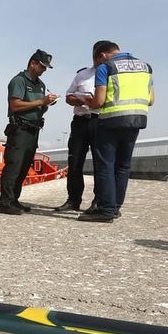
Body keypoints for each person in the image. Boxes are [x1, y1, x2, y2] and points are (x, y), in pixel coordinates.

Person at [77, 45, 154, 222]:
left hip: (111, 121)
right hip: (136, 120)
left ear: (103, 55)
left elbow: (99, 101)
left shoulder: (107, 67)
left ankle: (105, 210)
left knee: (106, 165)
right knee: (123, 166)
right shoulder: (146, 67)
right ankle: (116, 208)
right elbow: (151, 100)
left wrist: (87, 102)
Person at [54, 41, 119, 212]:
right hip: (81, 121)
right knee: (74, 162)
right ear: (99, 56)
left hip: (101, 121)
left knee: (101, 164)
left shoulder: (114, 75)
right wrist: (80, 99)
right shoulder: (82, 75)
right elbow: (68, 97)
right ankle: (73, 200)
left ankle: (98, 201)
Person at [0, 49, 57, 214]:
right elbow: (15, 105)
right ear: (33, 63)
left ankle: (14, 200)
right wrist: (41, 101)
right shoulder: (19, 81)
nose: (44, 70)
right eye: (42, 66)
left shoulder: (41, 85)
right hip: (20, 129)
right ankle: (6, 202)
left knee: (24, 167)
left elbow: (39, 109)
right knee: (14, 166)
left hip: (34, 129)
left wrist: (45, 105)